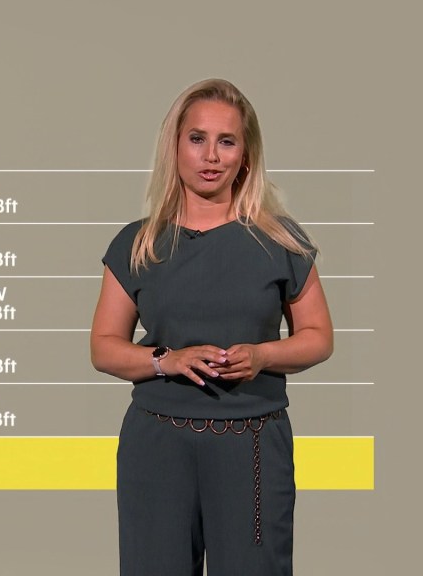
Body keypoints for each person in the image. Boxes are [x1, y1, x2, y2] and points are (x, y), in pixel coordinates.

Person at [90, 78, 333, 576]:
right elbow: (104, 347)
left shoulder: (281, 240)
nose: (211, 156)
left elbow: (318, 338)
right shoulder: (137, 243)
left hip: (253, 444)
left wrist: (264, 355)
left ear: (246, 155)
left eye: (227, 141)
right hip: (156, 447)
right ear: (175, 146)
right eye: (197, 139)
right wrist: (167, 361)